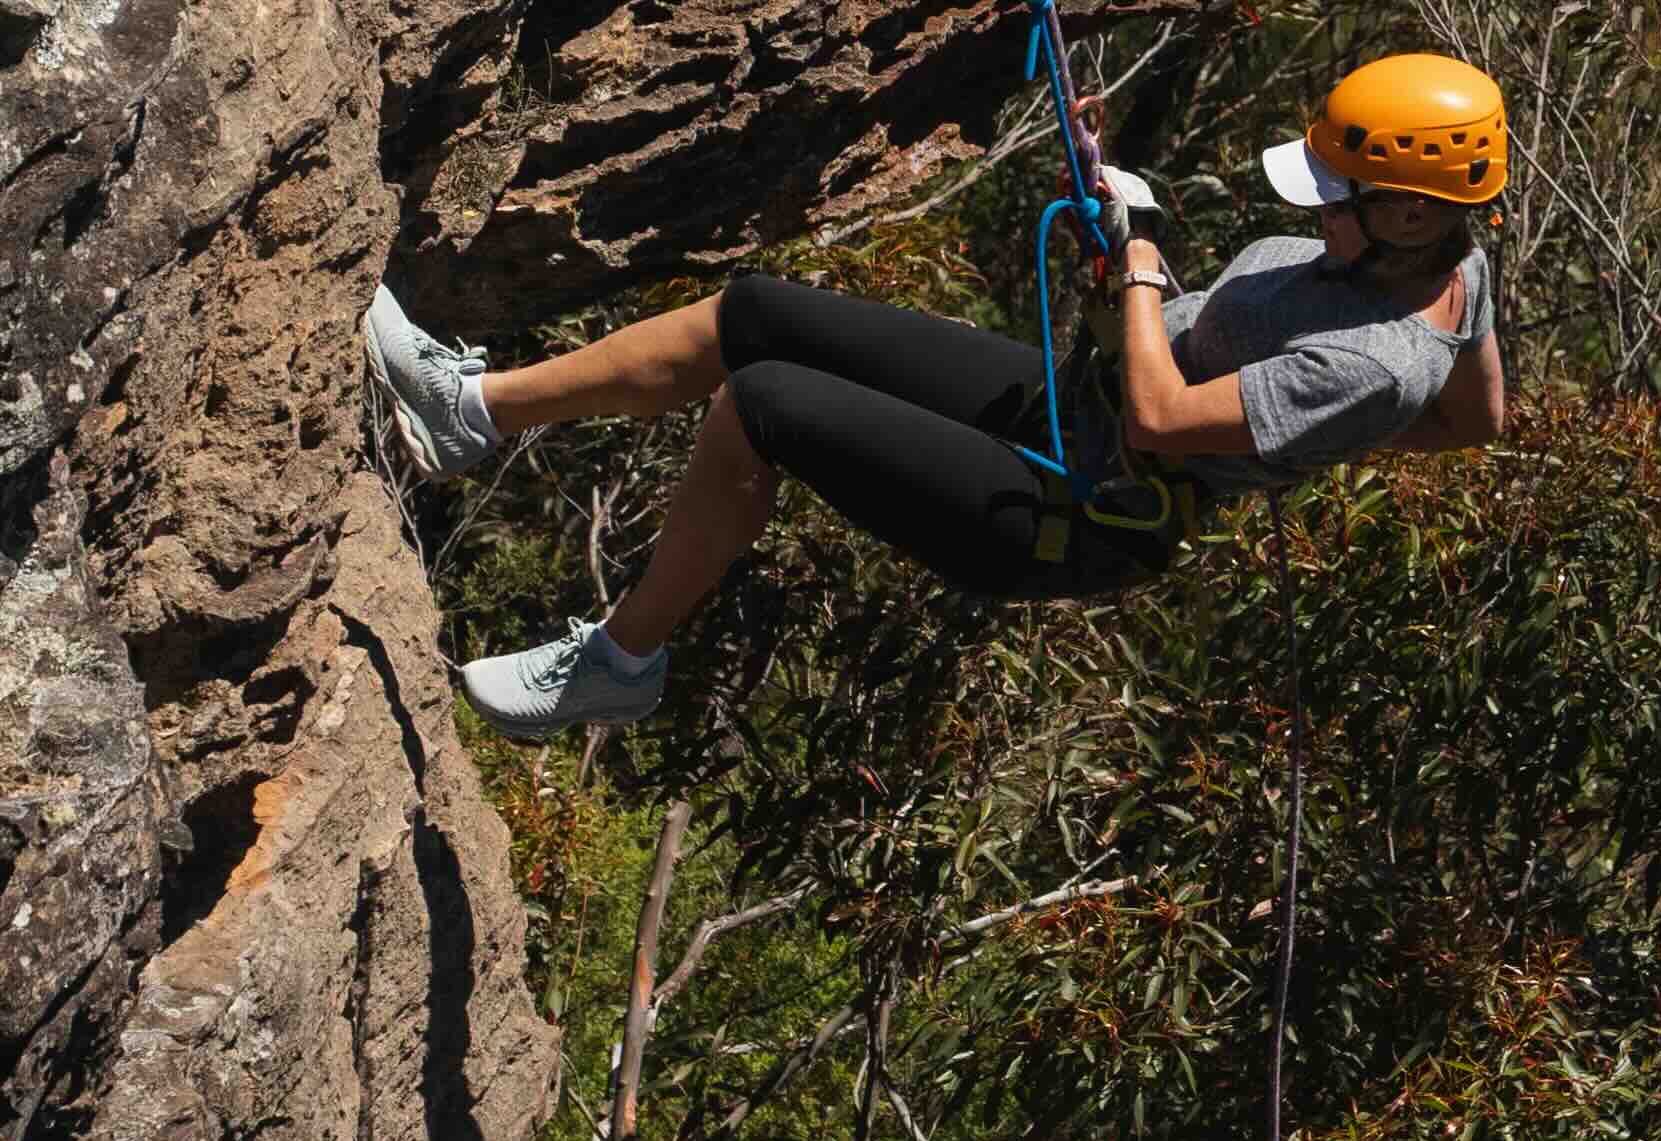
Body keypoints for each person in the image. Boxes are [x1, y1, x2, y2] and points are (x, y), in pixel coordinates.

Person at [366, 53, 1512, 737]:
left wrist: (1150, 261)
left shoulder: (1375, 359)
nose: (1319, 211)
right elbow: (1476, 423)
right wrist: (1148, 291)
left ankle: (619, 665)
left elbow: (1168, 419)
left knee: (761, 404)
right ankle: (476, 412)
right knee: (758, 312)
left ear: (1411, 207)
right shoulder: (1455, 265)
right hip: (1080, 405)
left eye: (1340, 195)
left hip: (1074, 512)